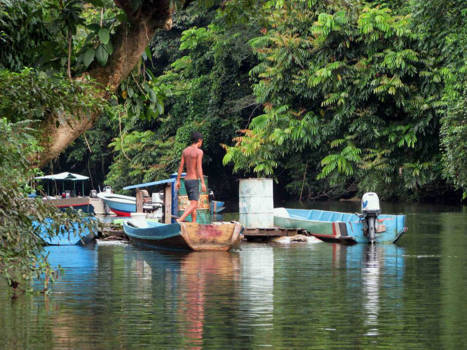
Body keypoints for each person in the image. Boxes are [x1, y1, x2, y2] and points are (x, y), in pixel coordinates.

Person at [175, 132, 207, 223]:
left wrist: (178, 180)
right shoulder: (199, 152)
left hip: (186, 180)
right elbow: (199, 167)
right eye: (202, 141)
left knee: (192, 203)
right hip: (193, 180)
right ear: (199, 140)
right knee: (194, 204)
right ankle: (180, 219)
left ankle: (193, 223)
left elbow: (181, 166)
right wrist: (203, 182)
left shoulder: (185, 151)